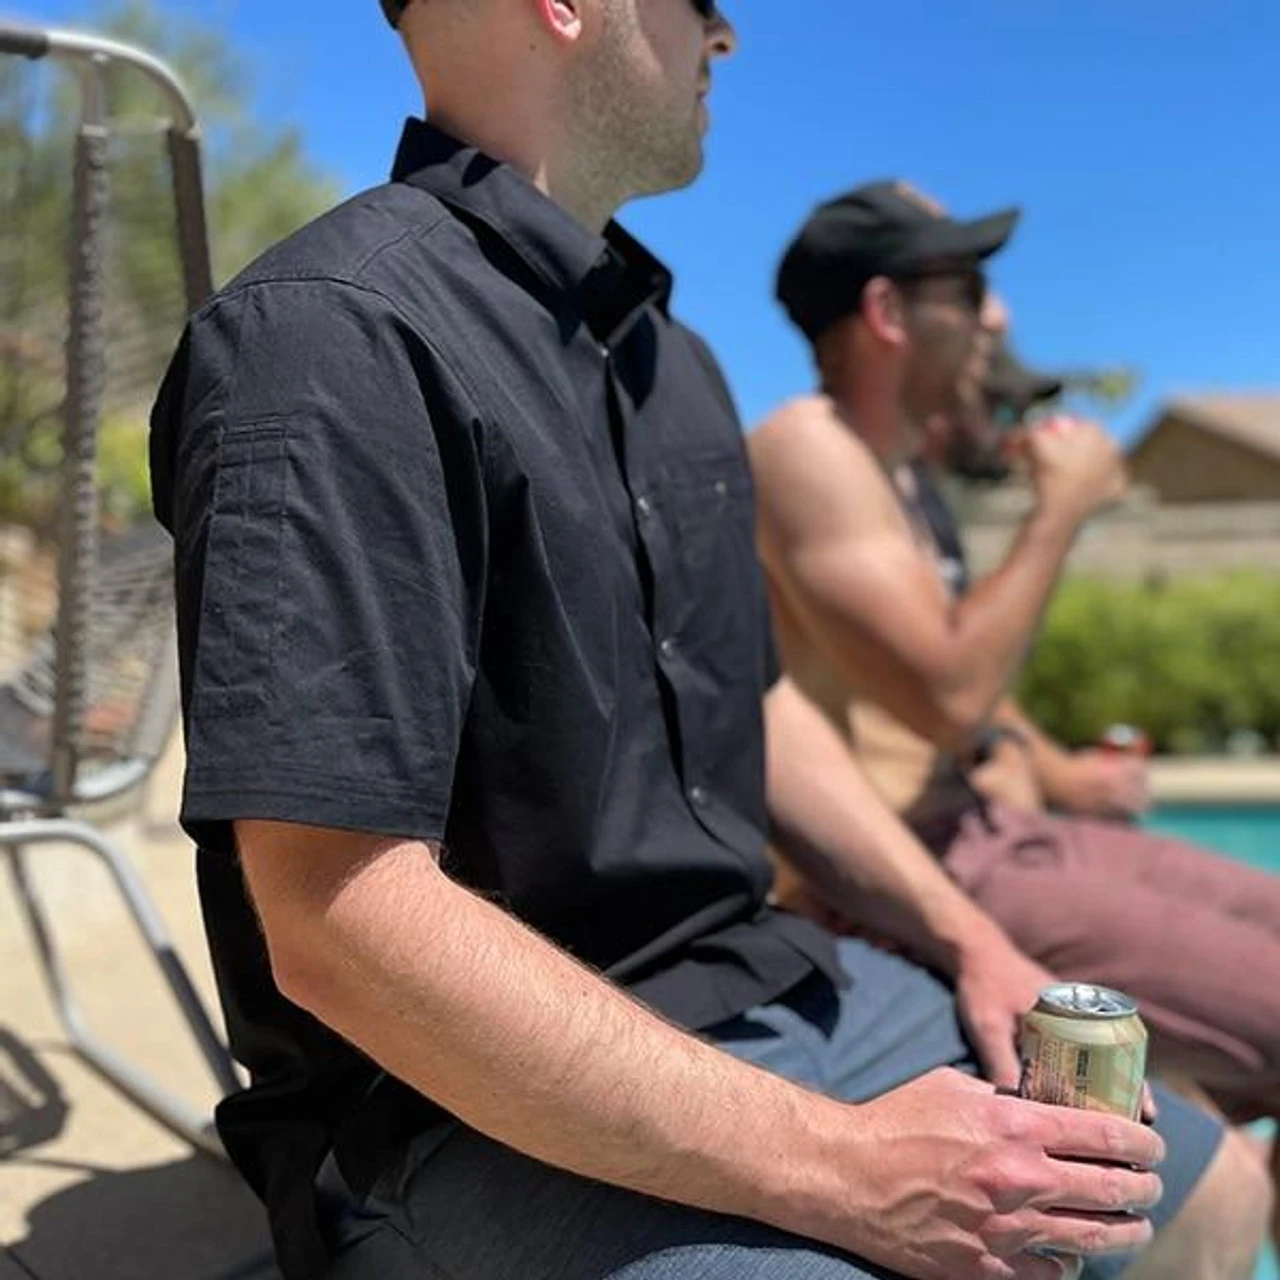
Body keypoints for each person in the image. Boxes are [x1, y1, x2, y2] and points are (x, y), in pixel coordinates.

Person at [148, 5, 1253, 1275]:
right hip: (461, 1103)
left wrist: (970, 941)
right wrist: (848, 1166)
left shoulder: (672, 364)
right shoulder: (331, 338)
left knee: (1205, 1188)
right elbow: (335, 919)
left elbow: (758, 709)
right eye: (699, 5)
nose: (722, 37)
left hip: (771, 982)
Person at [750, 179, 1277, 1263]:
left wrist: (1054, 767)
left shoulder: (902, 475)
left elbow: (956, 678)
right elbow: (942, 689)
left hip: (992, 827)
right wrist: (1058, 511)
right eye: (967, 288)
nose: (994, 316)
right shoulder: (807, 449)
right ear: (887, 313)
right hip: (910, 870)